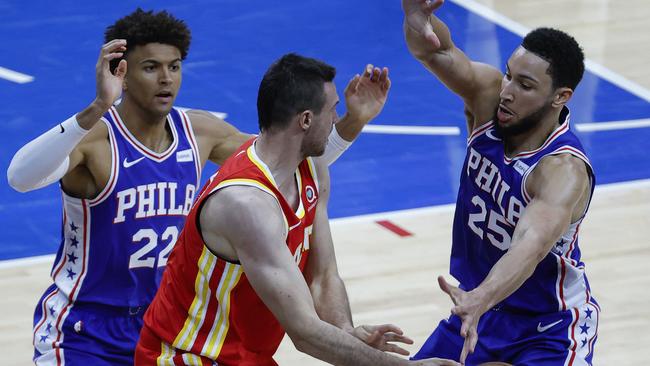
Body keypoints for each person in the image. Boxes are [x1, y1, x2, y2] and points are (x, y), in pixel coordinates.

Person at [6, 9, 389, 365]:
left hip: (164, 322)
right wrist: (98, 105)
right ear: (121, 73)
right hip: (86, 329)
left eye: (174, 66)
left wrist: (352, 122)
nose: (166, 78)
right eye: (151, 67)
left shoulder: (198, 131)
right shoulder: (96, 141)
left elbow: (287, 159)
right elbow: (20, 178)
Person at [135, 53, 458, 366]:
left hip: (246, 355)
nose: (336, 120)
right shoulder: (245, 204)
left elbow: (323, 275)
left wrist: (346, 331)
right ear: (305, 119)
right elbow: (304, 332)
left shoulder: (312, 168)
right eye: (333, 110)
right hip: (187, 355)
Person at [402, 0, 599, 365]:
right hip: (486, 310)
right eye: (509, 75)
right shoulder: (488, 99)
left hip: (549, 328)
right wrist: (418, 20)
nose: (507, 91)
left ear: (561, 96)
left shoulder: (562, 170)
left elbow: (531, 245)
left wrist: (481, 297)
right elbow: (436, 50)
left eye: (525, 85)